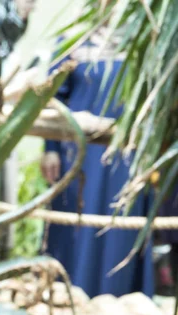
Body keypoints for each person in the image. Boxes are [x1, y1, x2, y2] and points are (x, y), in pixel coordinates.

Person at [40, 30, 155, 298]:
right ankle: (71, 294)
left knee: (121, 226)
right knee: (76, 225)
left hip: (128, 155)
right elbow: (52, 97)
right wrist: (50, 148)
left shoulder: (144, 34)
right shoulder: (73, 38)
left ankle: (120, 297)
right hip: (78, 154)